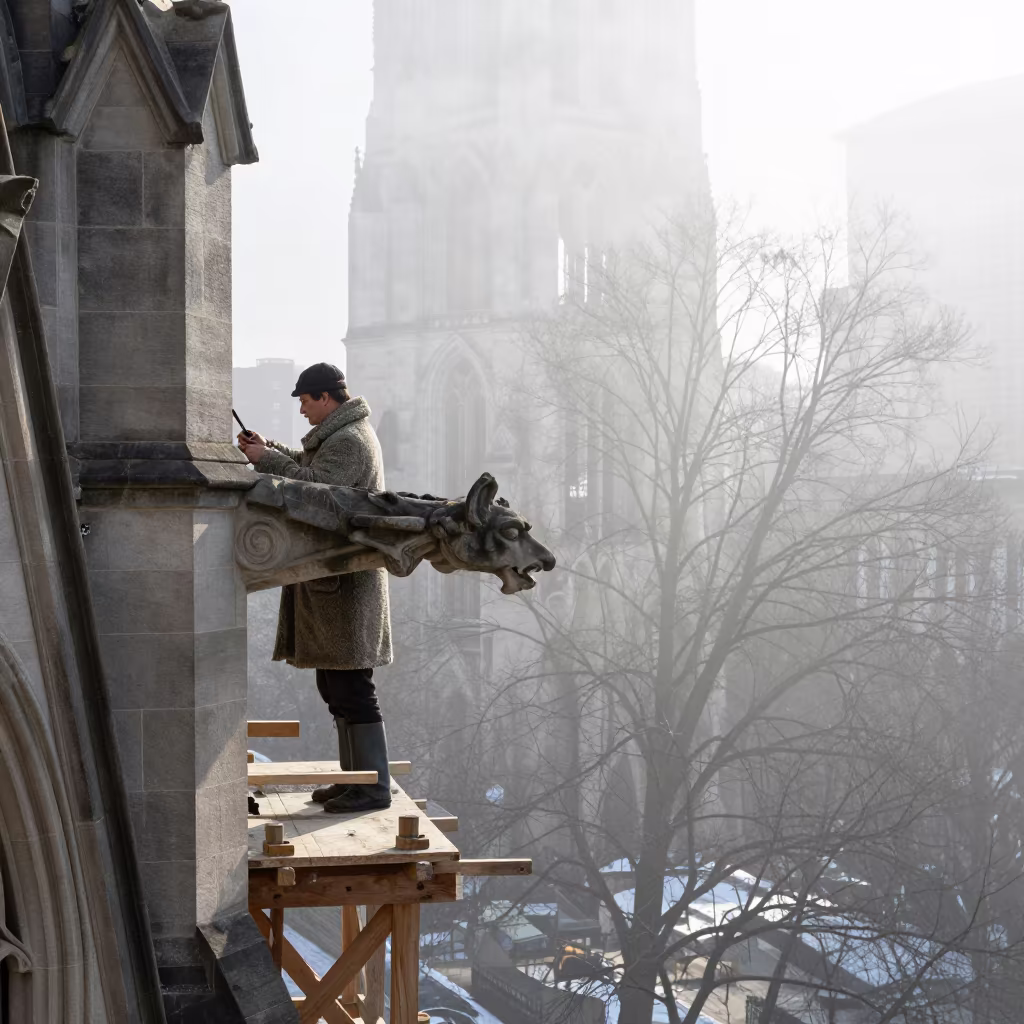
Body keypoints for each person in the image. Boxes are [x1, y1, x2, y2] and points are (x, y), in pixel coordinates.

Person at [237, 362, 393, 812]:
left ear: (327, 398)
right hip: (337, 588)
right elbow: (312, 469)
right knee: (337, 688)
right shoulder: (342, 436)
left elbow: (314, 492)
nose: (302, 409)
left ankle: (372, 786)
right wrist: (268, 450)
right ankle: (356, 781)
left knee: (353, 689)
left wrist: (266, 461)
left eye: (305, 401)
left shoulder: (349, 441)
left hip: (346, 589)